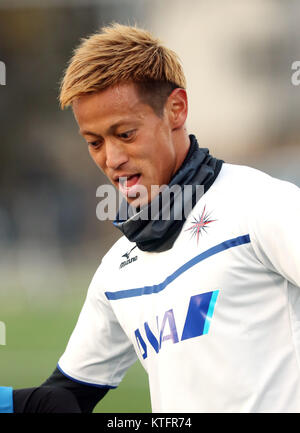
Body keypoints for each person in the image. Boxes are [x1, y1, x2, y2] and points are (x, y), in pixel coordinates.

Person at [1, 23, 300, 414]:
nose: (111, 159)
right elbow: (62, 400)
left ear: (176, 109)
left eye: (125, 133)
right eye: (94, 142)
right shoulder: (116, 271)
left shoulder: (261, 204)